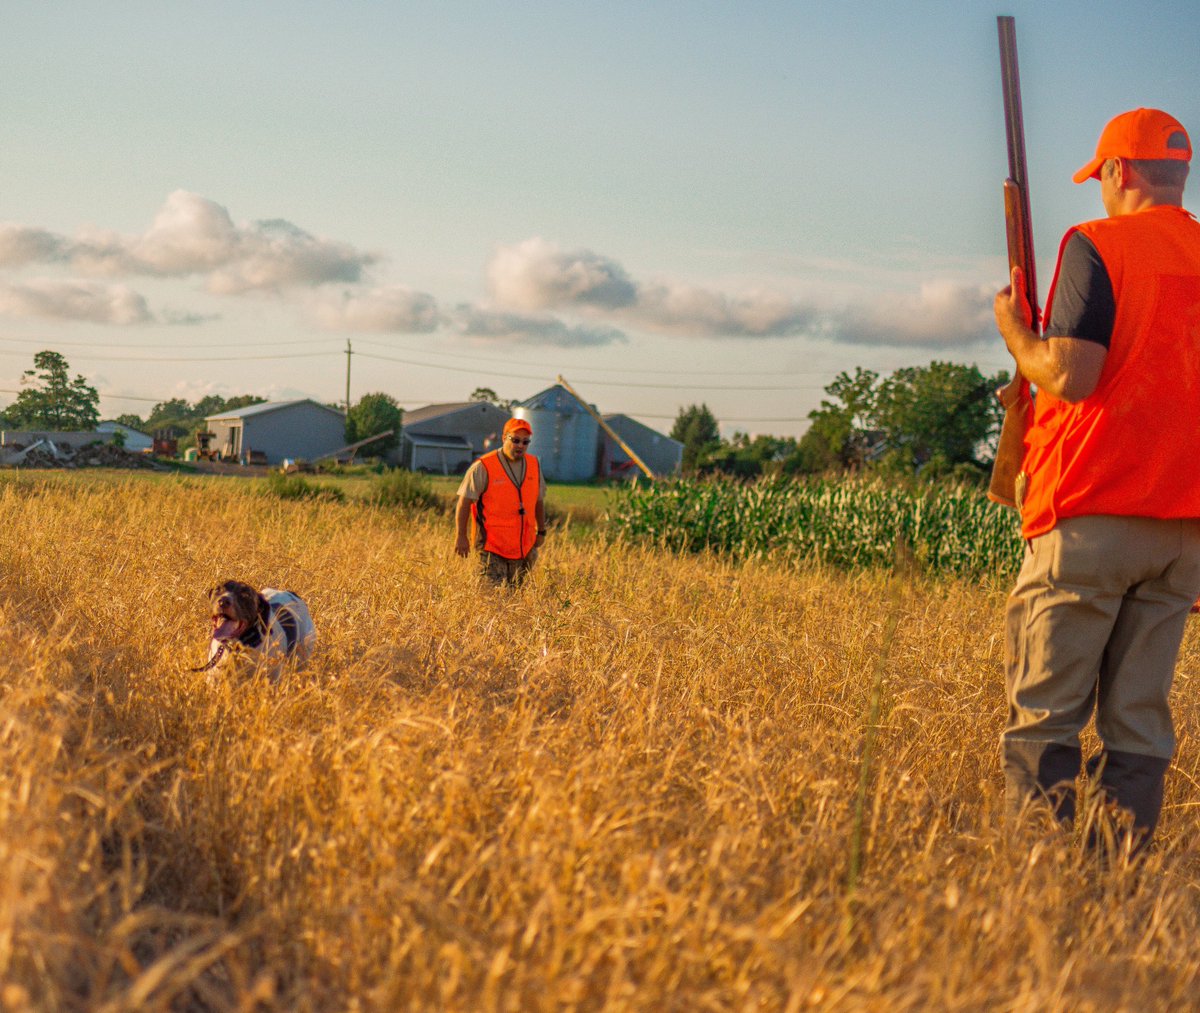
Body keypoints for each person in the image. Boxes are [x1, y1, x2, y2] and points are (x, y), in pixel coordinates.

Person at [993, 107, 1200, 852]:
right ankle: (1116, 890)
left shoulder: (1098, 245)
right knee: (1139, 719)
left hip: (1092, 514)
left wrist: (1018, 334)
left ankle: (1040, 894)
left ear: (1118, 172)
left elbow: (1071, 377)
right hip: (1184, 534)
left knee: (1046, 711)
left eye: (1101, 176)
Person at [454, 417, 547, 585]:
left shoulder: (534, 465)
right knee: (490, 602)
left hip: (523, 548)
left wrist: (541, 531)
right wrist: (461, 536)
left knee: (516, 603)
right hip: (491, 547)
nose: (520, 445)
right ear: (504, 438)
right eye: (515, 440)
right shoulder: (484, 466)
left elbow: (538, 501)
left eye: (525, 442)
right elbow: (464, 502)